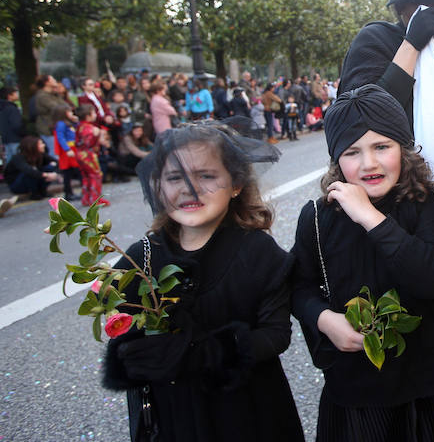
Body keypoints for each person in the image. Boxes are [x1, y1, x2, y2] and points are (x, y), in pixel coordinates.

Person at [102, 119, 304, 441]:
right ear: (159, 186)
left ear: (235, 184)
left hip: (246, 414)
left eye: (205, 176)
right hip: (173, 415)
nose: (189, 189)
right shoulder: (141, 258)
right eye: (174, 177)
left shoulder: (258, 253)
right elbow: (123, 333)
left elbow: (276, 333)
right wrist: (132, 356)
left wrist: (210, 352)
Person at [291, 85, 434, 441]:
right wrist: (324, 319)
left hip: (420, 386)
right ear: (337, 160)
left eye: (382, 146)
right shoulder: (318, 217)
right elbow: (297, 286)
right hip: (354, 392)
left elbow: (432, 279)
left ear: (403, 149)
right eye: (352, 151)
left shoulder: (422, 202)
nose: (369, 164)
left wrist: (370, 217)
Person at [339, 0, 434, 212]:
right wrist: (412, 44)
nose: (426, 9)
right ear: (399, 5)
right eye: (415, 0)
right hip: (388, 193)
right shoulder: (374, 40)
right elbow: (363, 117)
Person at [74, 104, 108, 207]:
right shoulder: (89, 128)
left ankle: (86, 198)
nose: (95, 115)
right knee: (96, 175)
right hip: (88, 154)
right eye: (93, 113)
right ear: (88, 116)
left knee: (86, 176)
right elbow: (88, 143)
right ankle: (95, 199)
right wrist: (97, 134)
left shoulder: (80, 126)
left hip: (79, 153)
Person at [53, 105, 81, 201]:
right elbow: (60, 137)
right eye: (69, 112)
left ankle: (69, 192)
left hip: (71, 148)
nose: (71, 114)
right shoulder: (61, 124)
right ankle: (69, 192)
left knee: (69, 172)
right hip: (68, 150)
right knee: (70, 171)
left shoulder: (67, 123)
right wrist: (67, 149)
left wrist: (76, 121)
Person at [0, 86, 24, 163]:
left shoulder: (2, 108)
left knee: (9, 161)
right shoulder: (12, 108)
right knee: (18, 160)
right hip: (15, 138)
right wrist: (23, 134)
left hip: (6, 138)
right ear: (9, 96)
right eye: (15, 93)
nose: (17, 95)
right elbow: (16, 125)